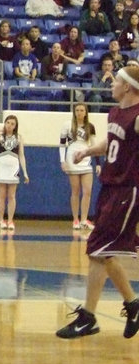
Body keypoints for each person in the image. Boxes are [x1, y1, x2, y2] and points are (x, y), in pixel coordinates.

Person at [56, 65, 139, 339]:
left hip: (128, 190)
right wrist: (88, 151)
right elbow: (112, 141)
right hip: (111, 188)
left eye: (116, 81)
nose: (111, 84)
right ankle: (133, 304)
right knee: (104, 251)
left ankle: (88, 317)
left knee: (96, 249)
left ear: (127, 87)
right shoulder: (115, 113)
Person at [59, 103, 100, 230]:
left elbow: (94, 146)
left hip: (86, 158)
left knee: (87, 191)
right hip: (72, 158)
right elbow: (61, 144)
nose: (79, 112)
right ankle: (75, 220)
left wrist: (98, 163)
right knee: (75, 191)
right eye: (77, 110)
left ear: (86, 112)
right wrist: (62, 161)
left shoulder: (90, 127)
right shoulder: (67, 125)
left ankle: (84, 220)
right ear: (74, 111)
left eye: (82, 110)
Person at [0, 115, 28, 230]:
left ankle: (10, 220)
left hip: (13, 167)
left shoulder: (19, 137)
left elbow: (21, 156)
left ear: (15, 126)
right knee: (1, 195)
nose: (9, 125)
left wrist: (25, 172)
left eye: (12, 124)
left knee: (12, 196)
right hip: (1, 166)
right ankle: (1, 220)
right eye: (7, 122)